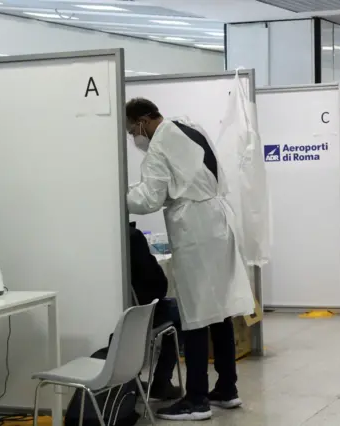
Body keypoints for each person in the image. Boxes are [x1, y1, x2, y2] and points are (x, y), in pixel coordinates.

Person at [126, 98, 255, 421]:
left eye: (132, 131)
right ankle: (227, 388)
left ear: (142, 121)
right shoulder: (188, 128)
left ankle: (196, 399)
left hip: (196, 229)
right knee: (219, 310)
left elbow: (150, 198)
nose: (134, 138)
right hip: (216, 224)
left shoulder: (160, 144)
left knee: (195, 314)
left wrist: (115, 194)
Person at [128, 221, 182, 401]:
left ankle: (131, 381)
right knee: (180, 314)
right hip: (140, 314)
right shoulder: (132, 236)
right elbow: (158, 286)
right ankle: (162, 382)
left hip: (123, 313)